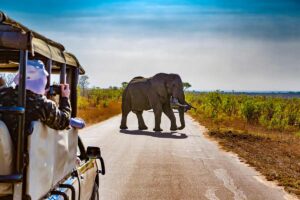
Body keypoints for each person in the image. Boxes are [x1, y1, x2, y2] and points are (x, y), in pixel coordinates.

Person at [0, 60, 71, 146]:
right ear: (42, 79)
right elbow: (64, 122)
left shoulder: (2, 95)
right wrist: (65, 98)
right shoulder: (44, 105)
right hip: (28, 157)